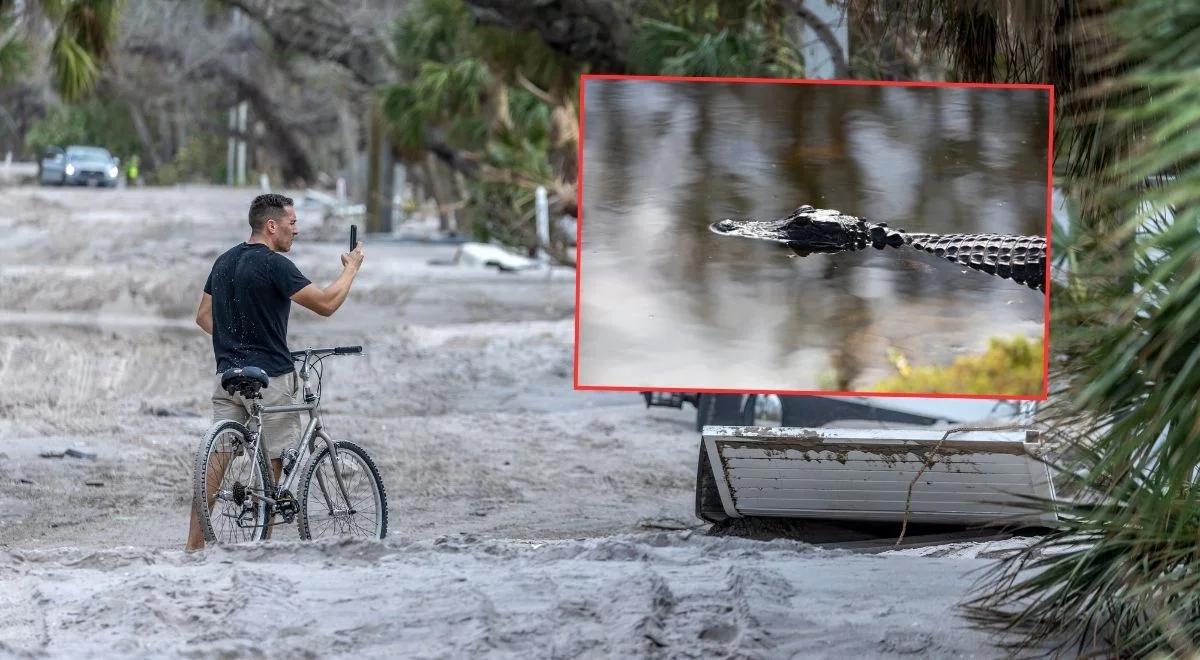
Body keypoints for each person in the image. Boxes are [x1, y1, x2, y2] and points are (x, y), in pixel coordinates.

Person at [187, 193, 364, 551]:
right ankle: (260, 546)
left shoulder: (223, 261)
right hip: (270, 377)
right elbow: (327, 304)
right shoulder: (274, 265)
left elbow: (203, 317)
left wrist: (236, 341)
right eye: (292, 223)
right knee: (275, 465)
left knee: (217, 461)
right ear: (272, 226)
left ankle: (193, 546)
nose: (295, 231)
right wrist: (351, 267)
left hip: (229, 376)